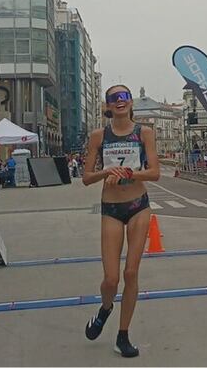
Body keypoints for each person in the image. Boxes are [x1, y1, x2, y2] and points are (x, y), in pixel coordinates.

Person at [82, 85, 159, 358]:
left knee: (130, 273)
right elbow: (86, 177)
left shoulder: (145, 132)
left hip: (139, 206)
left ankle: (122, 335)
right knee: (111, 279)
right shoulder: (98, 136)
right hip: (111, 207)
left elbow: (155, 173)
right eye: (114, 98)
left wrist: (130, 173)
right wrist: (106, 171)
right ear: (108, 105)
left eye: (124, 97)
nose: (120, 101)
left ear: (131, 103)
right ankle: (105, 308)